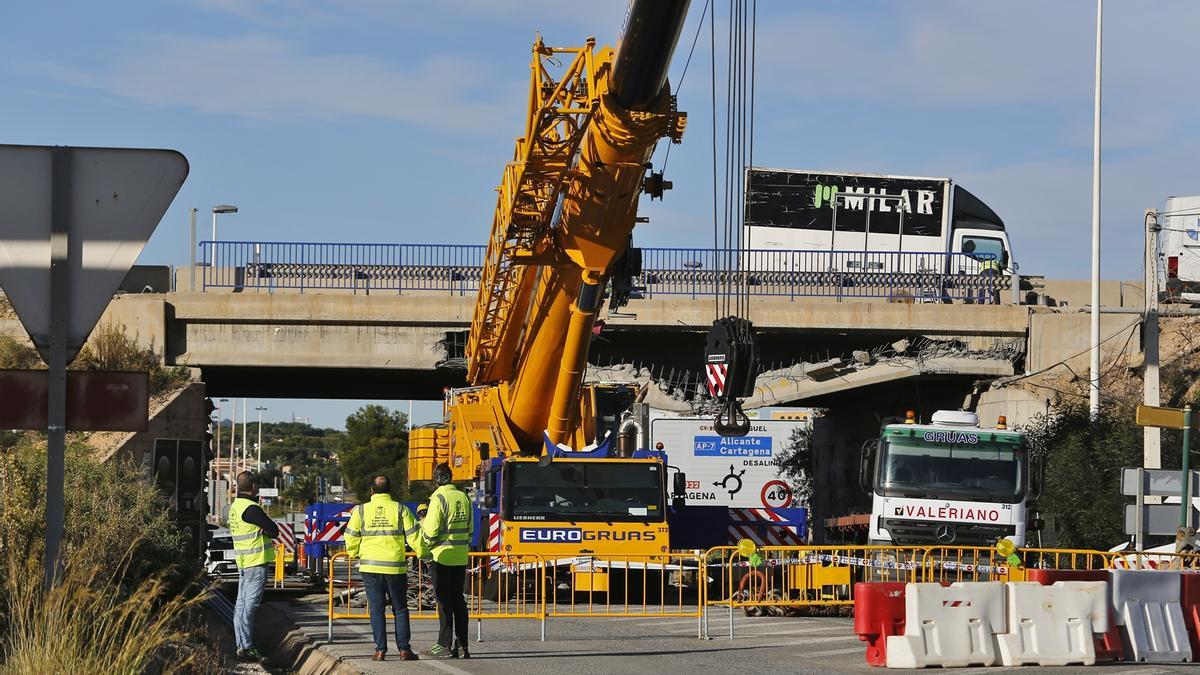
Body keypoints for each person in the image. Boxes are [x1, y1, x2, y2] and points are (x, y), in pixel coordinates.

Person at [344, 475, 423, 662]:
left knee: (377, 610)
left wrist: (355, 552)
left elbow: (350, 537)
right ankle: (404, 650)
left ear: (371, 490)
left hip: (370, 568)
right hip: (395, 568)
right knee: (400, 609)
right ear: (390, 490)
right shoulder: (400, 509)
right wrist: (424, 554)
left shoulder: (361, 511)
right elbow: (414, 536)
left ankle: (380, 651)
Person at [421, 463, 474, 659]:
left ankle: (443, 644)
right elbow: (470, 529)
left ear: (435, 479)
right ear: (450, 477)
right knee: (459, 601)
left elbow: (431, 531)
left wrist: (424, 548)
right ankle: (462, 646)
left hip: (441, 557)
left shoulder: (438, 498)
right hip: (460, 557)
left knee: (443, 603)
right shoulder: (463, 496)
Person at [229, 471, 279, 664]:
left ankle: (241, 646)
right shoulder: (252, 508)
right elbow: (274, 530)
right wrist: (264, 529)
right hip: (256, 563)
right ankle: (247, 647)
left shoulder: (235, 507)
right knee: (249, 606)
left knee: (240, 606)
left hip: (243, 562)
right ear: (254, 487)